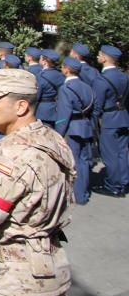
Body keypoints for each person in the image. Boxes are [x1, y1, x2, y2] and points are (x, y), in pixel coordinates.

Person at [0, 68, 75, 296]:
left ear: (21, 106)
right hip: (49, 264)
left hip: (14, 279)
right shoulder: (51, 138)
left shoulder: (11, 156)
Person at [55, 56, 94, 204]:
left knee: (73, 161)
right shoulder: (87, 87)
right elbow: (93, 108)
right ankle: (82, 193)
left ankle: (75, 193)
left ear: (66, 70)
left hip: (73, 127)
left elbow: (63, 115)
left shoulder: (66, 89)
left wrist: (58, 134)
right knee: (84, 161)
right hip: (86, 125)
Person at [92, 45, 128, 197]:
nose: (98, 56)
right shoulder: (124, 76)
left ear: (105, 58)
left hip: (109, 120)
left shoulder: (101, 79)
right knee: (122, 153)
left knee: (109, 154)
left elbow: (97, 106)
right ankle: (123, 182)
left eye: (100, 54)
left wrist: (92, 125)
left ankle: (112, 185)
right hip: (123, 117)